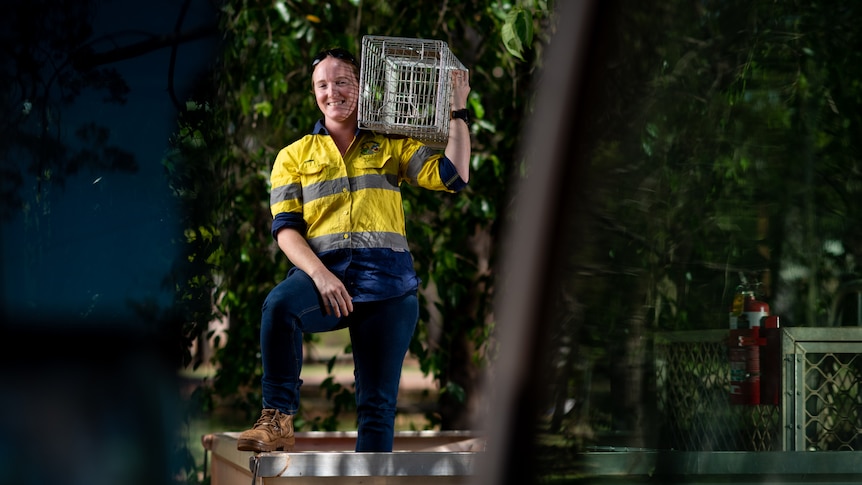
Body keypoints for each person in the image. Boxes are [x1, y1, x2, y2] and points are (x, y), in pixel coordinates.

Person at [236, 47, 471, 453]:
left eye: (342, 81)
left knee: (377, 408)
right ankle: (277, 417)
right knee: (279, 307)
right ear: (314, 93)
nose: (332, 92)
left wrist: (457, 111)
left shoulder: (391, 143)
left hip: (390, 288)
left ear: (361, 87)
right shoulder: (292, 156)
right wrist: (321, 275)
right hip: (323, 277)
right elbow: (286, 230)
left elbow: (453, 176)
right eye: (322, 85)